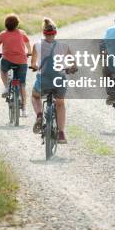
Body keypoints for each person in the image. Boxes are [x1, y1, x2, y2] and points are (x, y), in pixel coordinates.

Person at [30, 17, 75, 145]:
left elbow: (33, 64)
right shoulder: (64, 46)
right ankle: (61, 134)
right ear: (55, 33)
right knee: (60, 104)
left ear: (43, 32)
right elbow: (73, 64)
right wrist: (71, 68)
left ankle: (39, 115)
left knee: (35, 96)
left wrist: (35, 67)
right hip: (59, 80)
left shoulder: (37, 45)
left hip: (43, 80)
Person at [0, 13, 31, 116]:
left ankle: (6, 87)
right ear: (17, 24)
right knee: (22, 84)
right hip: (22, 61)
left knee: (3, 70)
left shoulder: (3, 34)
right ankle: (24, 110)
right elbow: (27, 44)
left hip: (8, 60)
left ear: (5, 25)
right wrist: (29, 51)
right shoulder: (22, 33)